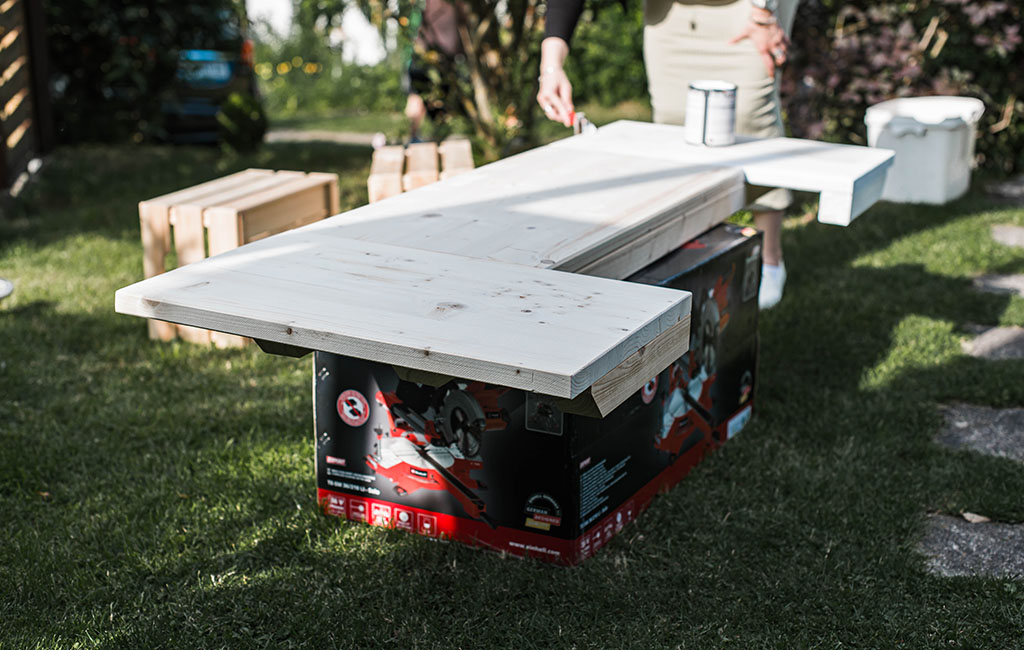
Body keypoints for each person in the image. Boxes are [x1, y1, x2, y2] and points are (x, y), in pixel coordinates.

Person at [537, 0, 797, 309]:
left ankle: (768, 257)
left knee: (750, 119)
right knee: (676, 122)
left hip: (747, 9)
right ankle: (694, 255)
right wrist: (550, 66)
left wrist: (765, 14)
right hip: (670, 13)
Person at [402, 0, 463, 143]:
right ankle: (419, 137)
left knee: (422, 98)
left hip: (431, 56)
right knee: (425, 98)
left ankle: (421, 138)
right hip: (432, 57)